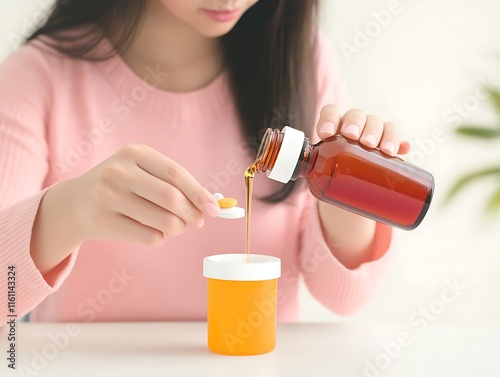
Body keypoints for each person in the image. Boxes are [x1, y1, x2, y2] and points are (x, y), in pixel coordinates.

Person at [0, 0, 410, 324]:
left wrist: (352, 189)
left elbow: (344, 297)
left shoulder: (301, 60)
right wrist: (67, 211)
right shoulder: (39, 76)